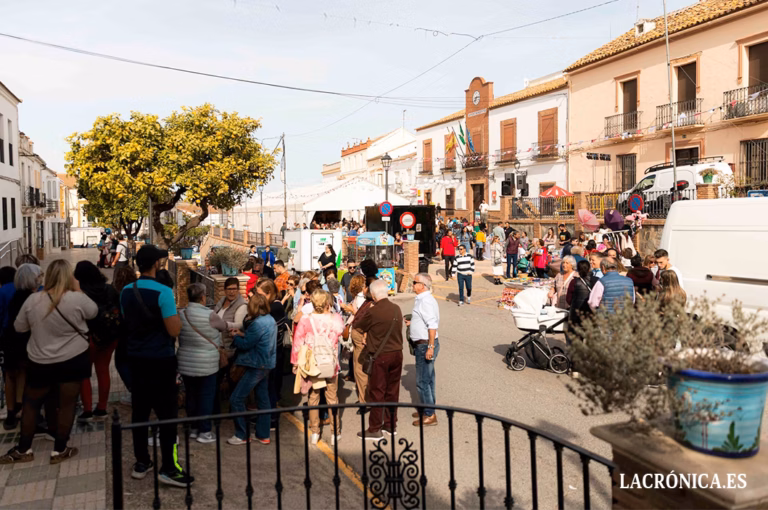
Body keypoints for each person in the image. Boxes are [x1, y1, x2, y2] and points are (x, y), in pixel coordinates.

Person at [0, 260, 97, 465]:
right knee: (67, 404)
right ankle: (59, 449)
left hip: (40, 360)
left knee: (31, 403)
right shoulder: (77, 299)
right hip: (73, 358)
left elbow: (19, 327)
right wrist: (78, 290)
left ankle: (24, 448)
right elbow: (93, 313)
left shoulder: (33, 300)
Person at [120, 246, 192, 486]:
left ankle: (142, 462)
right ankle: (169, 468)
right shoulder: (163, 292)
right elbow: (173, 329)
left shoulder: (126, 292)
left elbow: (128, 323)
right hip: (161, 361)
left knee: (140, 413)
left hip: (136, 360)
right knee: (167, 416)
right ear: (156, 264)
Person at [177, 283, 228, 444]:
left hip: (185, 362)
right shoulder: (210, 315)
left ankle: (193, 427)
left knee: (191, 395)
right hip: (207, 363)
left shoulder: (181, 313)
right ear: (203, 297)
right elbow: (223, 326)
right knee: (206, 396)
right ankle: (205, 431)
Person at [292, 289, 344, 445]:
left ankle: (315, 432)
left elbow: (297, 342)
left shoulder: (306, 320)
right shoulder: (335, 318)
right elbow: (340, 333)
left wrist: (295, 363)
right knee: (332, 397)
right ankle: (335, 433)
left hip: (311, 363)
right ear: (327, 302)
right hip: (330, 362)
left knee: (313, 397)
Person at [356, 280, 404, 441]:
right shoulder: (396, 308)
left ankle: (375, 428)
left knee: (377, 391)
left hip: (380, 355)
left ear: (374, 295)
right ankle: (391, 425)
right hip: (397, 353)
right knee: (392, 391)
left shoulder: (373, 311)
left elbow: (359, 325)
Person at [74, 261, 121, 422]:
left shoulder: (81, 293)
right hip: (109, 337)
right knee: (103, 370)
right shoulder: (109, 289)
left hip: (88, 338)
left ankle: (87, 410)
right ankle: (102, 408)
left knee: (84, 373)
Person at [227, 294, 276, 446]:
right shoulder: (270, 320)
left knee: (236, 398)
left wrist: (235, 337)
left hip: (256, 365)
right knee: (263, 399)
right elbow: (255, 338)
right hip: (267, 363)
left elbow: (246, 343)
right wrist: (242, 334)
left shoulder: (257, 323)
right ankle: (263, 434)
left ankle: (242, 434)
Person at [1, 264, 41, 430]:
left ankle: (12, 413)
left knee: (10, 376)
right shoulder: (34, 297)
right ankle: (24, 410)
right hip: (25, 340)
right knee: (25, 375)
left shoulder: (12, 294)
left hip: (7, 339)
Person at [406, 273, 439, 426]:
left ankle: (429, 414)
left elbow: (432, 326)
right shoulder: (422, 299)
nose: (412, 284)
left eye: (415, 282)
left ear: (422, 286)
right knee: (429, 379)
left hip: (425, 345)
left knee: (423, 381)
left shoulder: (425, 301)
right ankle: (428, 408)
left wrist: (430, 347)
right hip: (424, 343)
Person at [255, 279, 287, 425]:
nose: (256, 297)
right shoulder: (273, 306)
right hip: (272, 353)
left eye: (259, 294)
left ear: (268, 294)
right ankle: (267, 416)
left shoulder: (274, 308)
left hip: (273, 354)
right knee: (267, 387)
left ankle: (271, 419)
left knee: (270, 387)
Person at [112, 266, 137, 394]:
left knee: (121, 362)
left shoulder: (116, 293)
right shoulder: (136, 290)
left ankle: (134, 389)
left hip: (123, 334)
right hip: (137, 332)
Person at [214, 277, 247, 359]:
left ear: (238, 290)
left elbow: (240, 325)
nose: (232, 292)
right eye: (229, 289)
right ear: (225, 290)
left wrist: (224, 325)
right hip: (217, 347)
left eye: (234, 289)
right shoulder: (222, 300)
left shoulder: (241, 305)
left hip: (229, 349)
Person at [565, 260, 593, 345]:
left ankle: (574, 356)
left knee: (574, 338)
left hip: (575, 314)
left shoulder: (574, 282)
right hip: (590, 313)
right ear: (589, 269)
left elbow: (568, 299)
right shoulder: (595, 280)